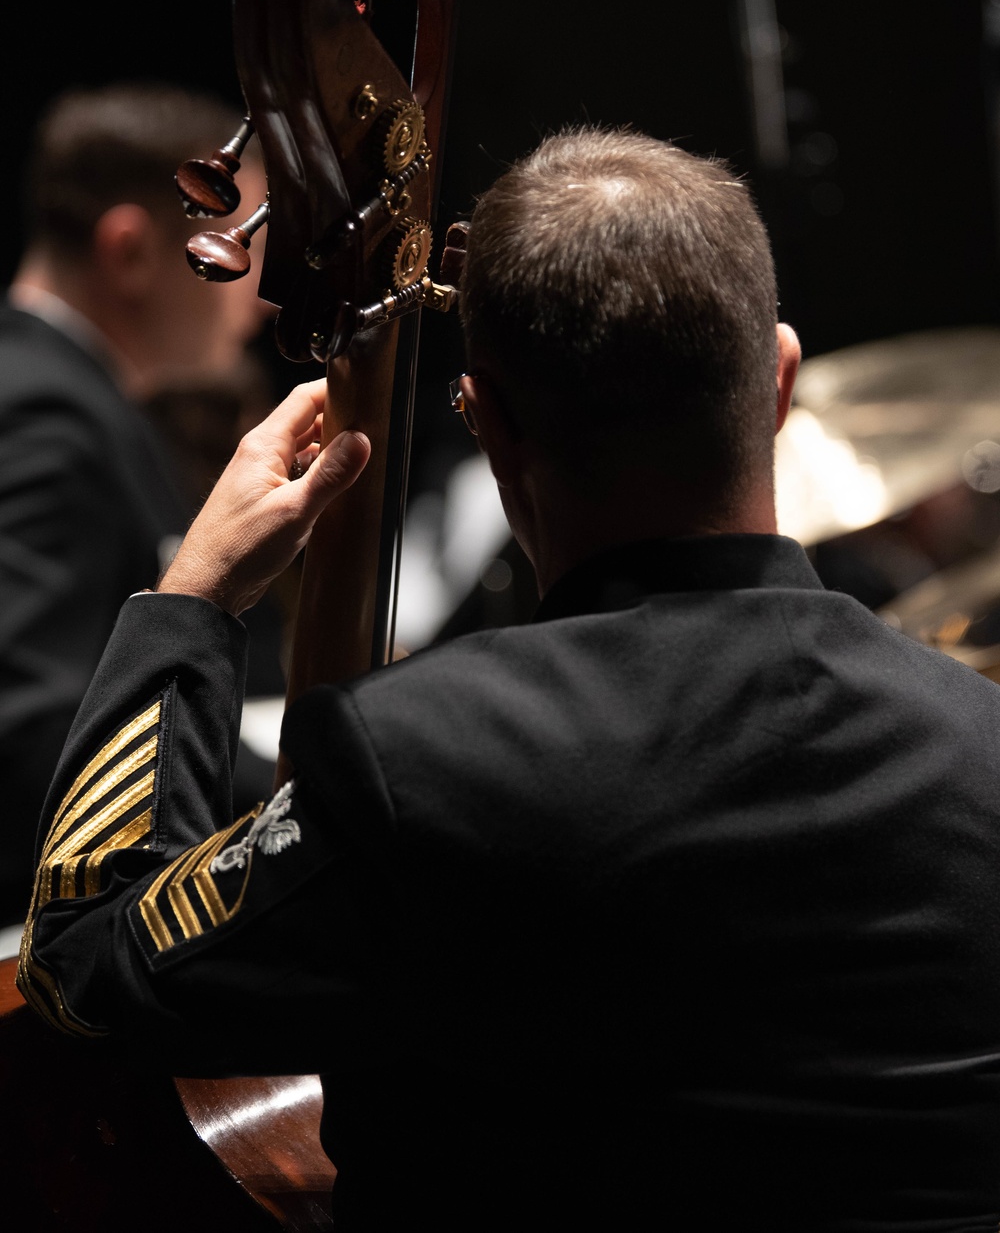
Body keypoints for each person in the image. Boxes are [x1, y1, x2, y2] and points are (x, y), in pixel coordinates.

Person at [15, 129, 1000, 1229]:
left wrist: (191, 602)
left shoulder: (413, 761)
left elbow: (84, 968)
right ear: (779, 381)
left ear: (485, 419)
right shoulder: (981, 742)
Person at [0, 82, 271, 931]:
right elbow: (33, 733)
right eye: (240, 247)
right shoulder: (45, 417)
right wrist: (308, 792)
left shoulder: (74, 398)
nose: (261, 297)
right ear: (131, 252)